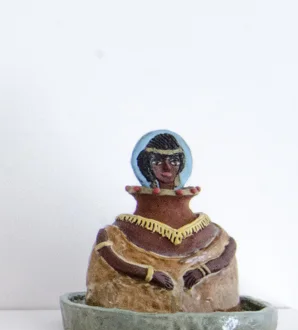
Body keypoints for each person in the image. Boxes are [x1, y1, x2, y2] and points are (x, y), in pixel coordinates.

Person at [86, 130, 239, 313]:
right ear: (146, 165)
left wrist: (202, 271)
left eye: (174, 161)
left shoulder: (219, 238)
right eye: (157, 161)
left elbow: (228, 251)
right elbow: (112, 259)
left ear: (181, 164)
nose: (167, 168)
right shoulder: (113, 237)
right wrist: (149, 274)